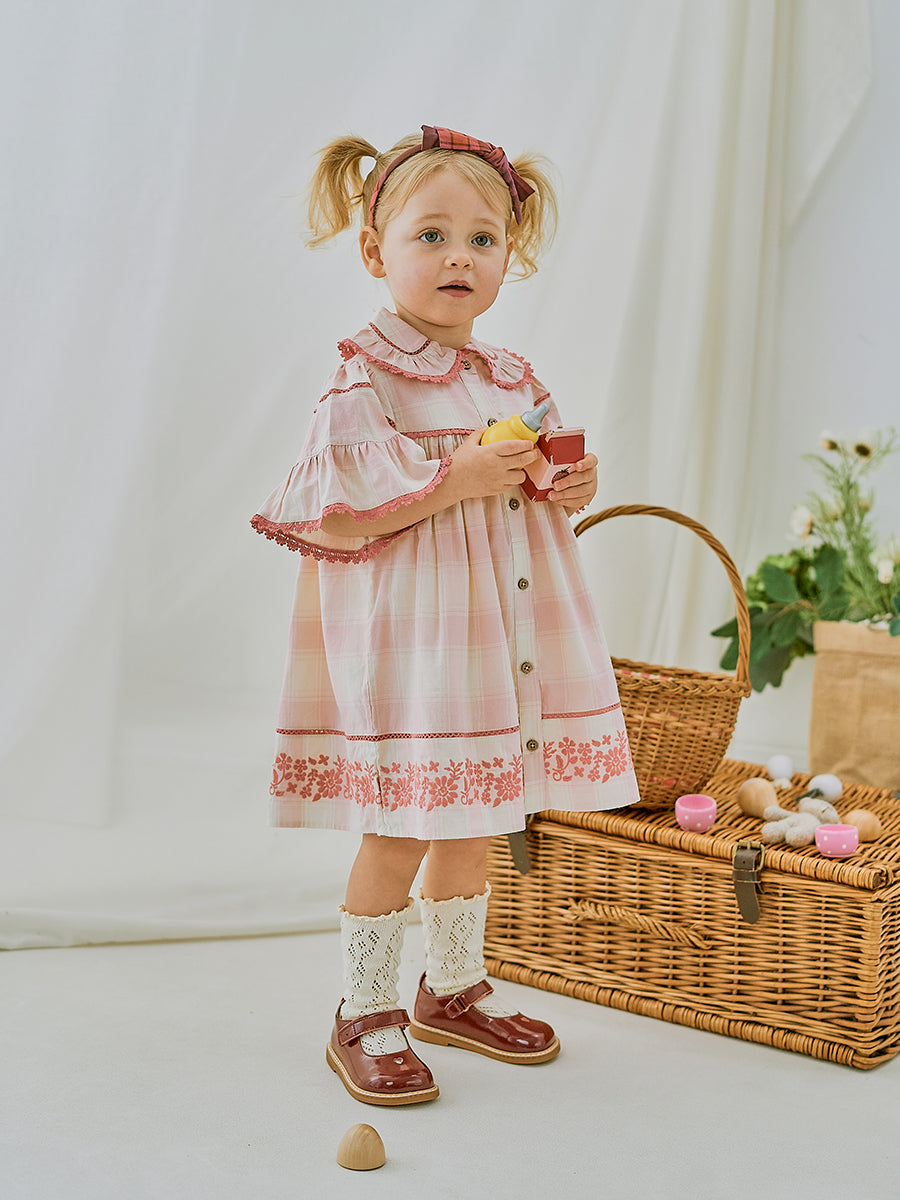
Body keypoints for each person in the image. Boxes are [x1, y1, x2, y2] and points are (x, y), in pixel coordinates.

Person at [251, 125, 640, 1107]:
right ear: (375, 251)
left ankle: (453, 986)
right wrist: (455, 476)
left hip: (495, 641)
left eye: (481, 239)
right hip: (418, 645)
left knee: (479, 816)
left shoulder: (512, 379)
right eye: (430, 235)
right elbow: (339, 513)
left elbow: (532, 486)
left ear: (511, 256)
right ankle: (364, 1008)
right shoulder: (366, 377)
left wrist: (567, 480)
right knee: (403, 825)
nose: (458, 256)